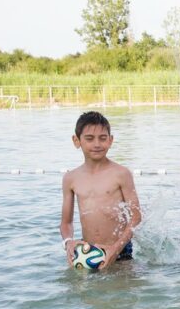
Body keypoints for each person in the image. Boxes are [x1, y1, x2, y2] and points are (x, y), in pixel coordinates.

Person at [60, 111, 141, 270]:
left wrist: (115, 249)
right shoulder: (71, 178)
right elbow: (66, 223)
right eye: (89, 139)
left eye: (102, 138)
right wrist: (68, 242)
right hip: (87, 251)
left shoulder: (121, 174)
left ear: (111, 140)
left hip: (120, 251)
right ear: (76, 141)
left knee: (122, 291)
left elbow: (136, 217)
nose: (97, 144)